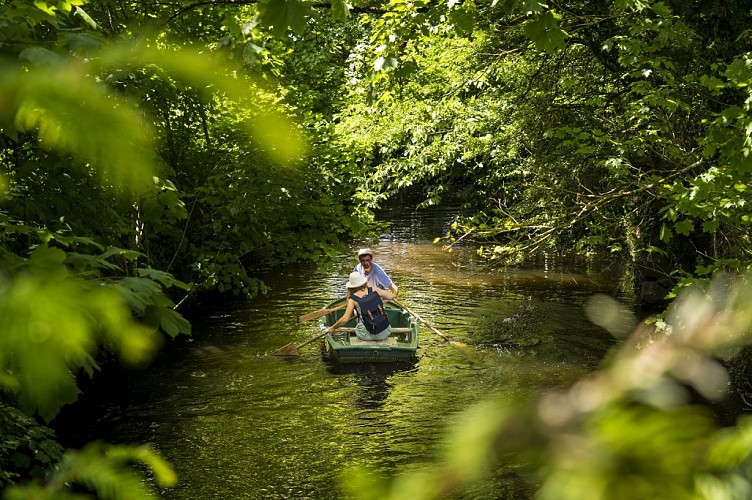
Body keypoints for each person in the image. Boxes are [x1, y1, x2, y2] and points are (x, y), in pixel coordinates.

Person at [326, 272, 396, 341]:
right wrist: (380, 301)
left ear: (351, 287)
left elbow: (344, 320)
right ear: (363, 282)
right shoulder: (375, 290)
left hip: (365, 336)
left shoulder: (352, 300)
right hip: (385, 333)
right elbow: (391, 296)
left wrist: (333, 328)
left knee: (356, 313)